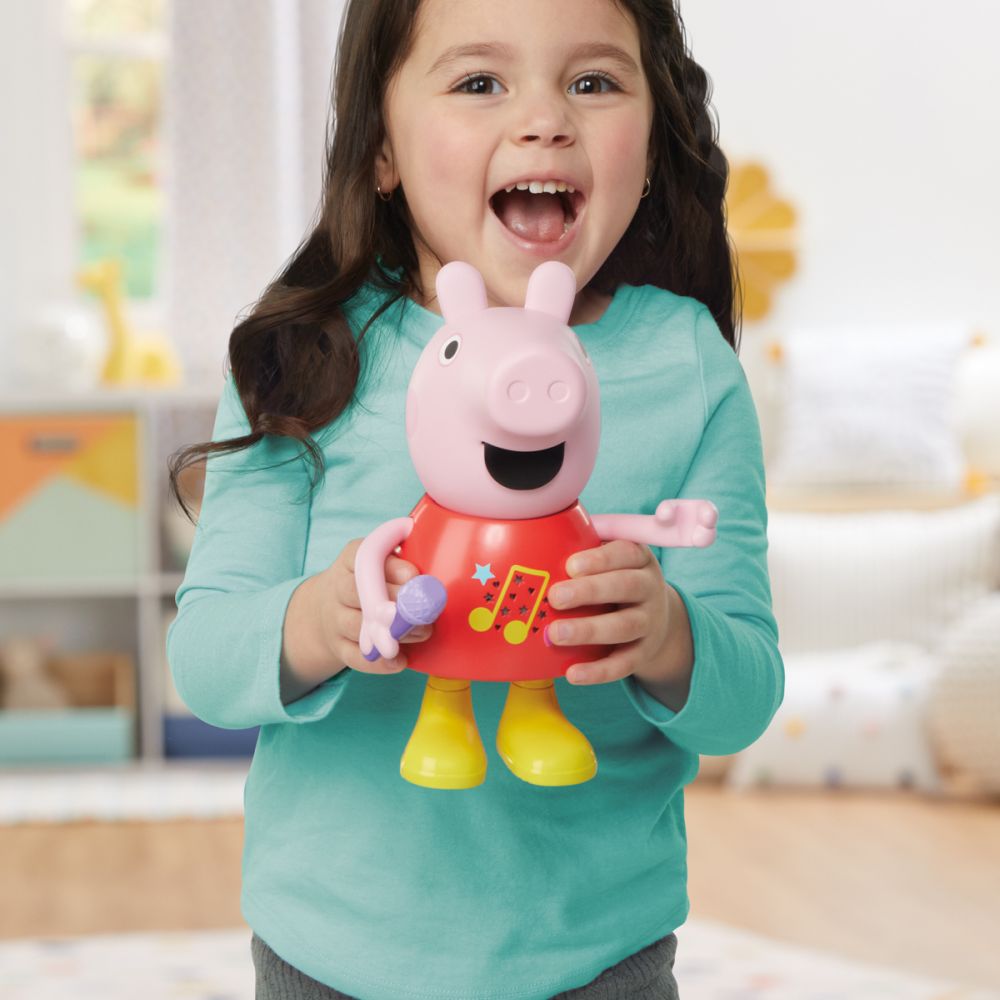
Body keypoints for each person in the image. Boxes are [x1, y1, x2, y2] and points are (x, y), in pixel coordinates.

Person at [167, 0, 784, 997]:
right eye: (478, 81)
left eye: (593, 81)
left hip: (597, 958)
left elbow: (744, 697)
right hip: (329, 952)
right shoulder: (305, 359)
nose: (543, 120)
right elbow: (204, 660)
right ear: (381, 149)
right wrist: (322, 618)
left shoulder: (689, 366)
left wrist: (667, 633)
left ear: (650, 143)